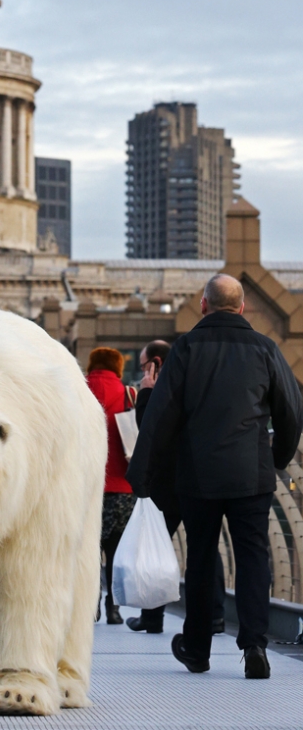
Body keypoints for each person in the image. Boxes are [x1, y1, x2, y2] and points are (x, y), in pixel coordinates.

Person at [128, 274, 303, 679]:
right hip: (251, 474)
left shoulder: (186, 348)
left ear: (204, 306)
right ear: (242, 308)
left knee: (203, 558)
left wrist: (144, 475)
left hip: (198, 475)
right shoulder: (265, 348)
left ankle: (197, 649)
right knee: (254, 557)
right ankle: (255, 643)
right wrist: (276, 457)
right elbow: (292, 410)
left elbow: (160, 416)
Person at [125, 339, 227, 637]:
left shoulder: (165, 384)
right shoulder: (196, 376)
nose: (143, 372)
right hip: (198, 477)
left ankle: (152, 616)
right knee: (206, 546)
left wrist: (145, 393)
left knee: (155, 547)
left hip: (167, 482)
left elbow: (151, 428)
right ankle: (216, 616)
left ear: (155, 363)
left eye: (144, 366)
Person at [85, 346, 135, 624]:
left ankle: (91, 607)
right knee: (116, 551)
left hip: (87, 488)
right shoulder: (129, 395)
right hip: (123, 488)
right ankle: (114, 608)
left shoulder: (78, 392)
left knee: (89, 550)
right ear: (118, 366)